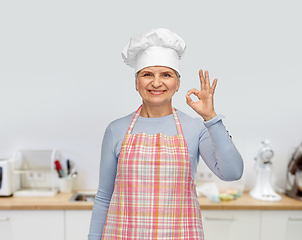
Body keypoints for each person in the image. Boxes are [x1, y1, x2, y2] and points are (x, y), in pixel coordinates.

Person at [88, 28, 243, 240]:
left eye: (166, 75)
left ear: (177, 83)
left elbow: (232, 172)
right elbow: (104, 196)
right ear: (136, 82)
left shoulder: (195, 128)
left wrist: (211, 118)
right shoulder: (116, 129)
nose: (156, 82)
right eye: (147, 74)